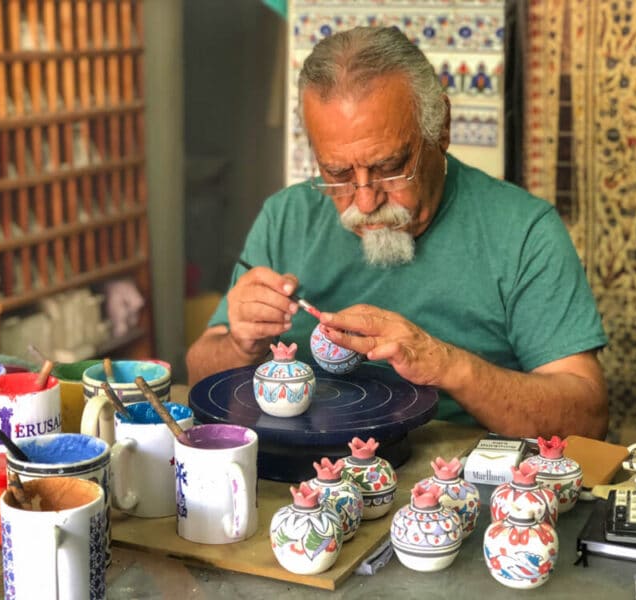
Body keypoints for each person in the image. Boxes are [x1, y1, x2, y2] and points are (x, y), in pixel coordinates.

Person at [186, 26, 608, 440]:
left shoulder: (523, 231)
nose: (365, 201)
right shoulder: (286, 217)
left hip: (448, 473)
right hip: (298, 467)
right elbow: (199, 373)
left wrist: (447, 365)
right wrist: (240, 344)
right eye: (337, 174)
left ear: (441, 128)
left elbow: (588, 417)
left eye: (390, 168)